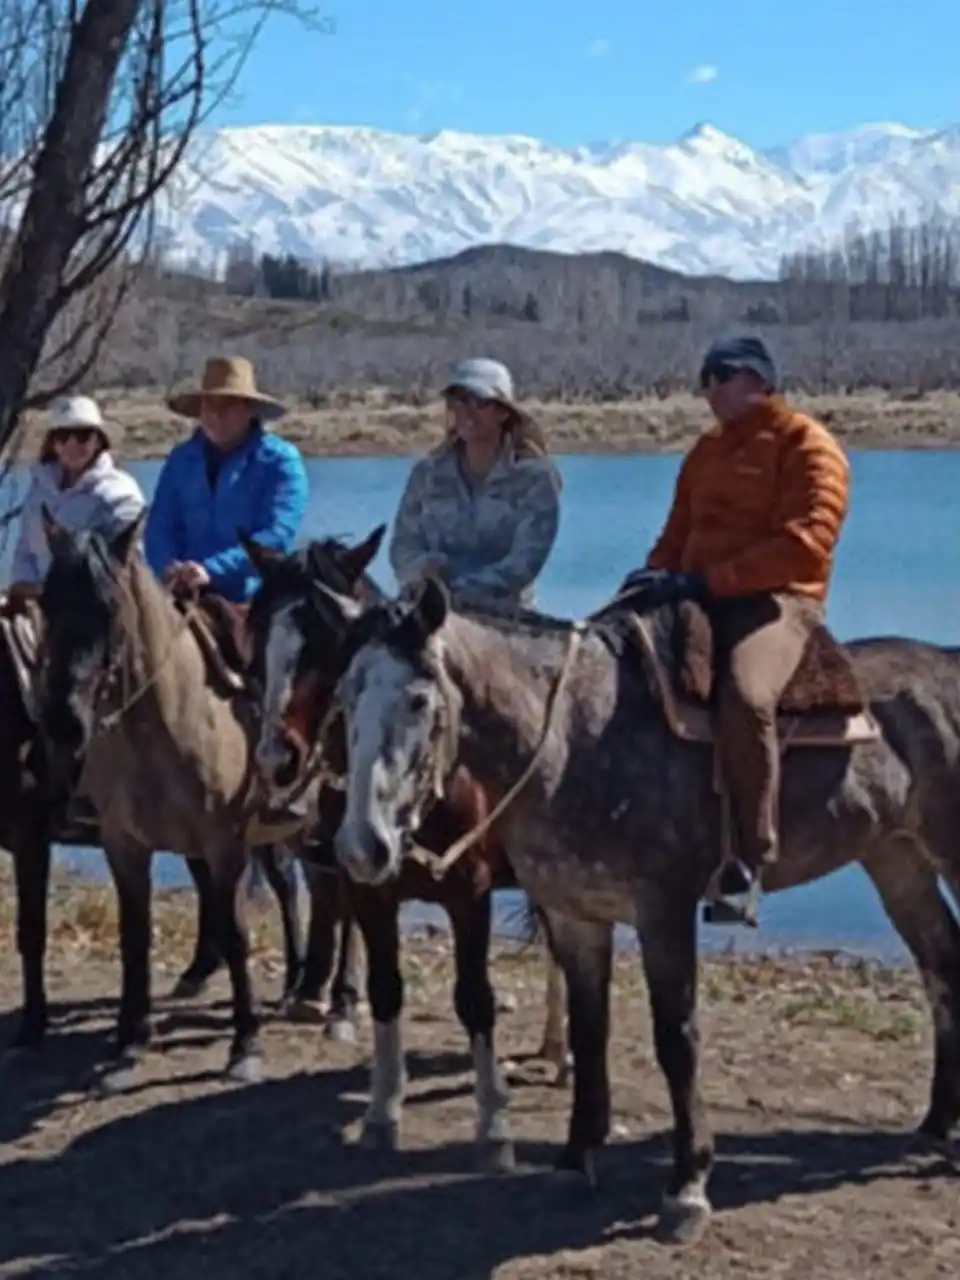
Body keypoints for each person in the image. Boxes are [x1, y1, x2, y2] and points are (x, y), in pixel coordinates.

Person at [620, 336, 850, 921]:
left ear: (760, 379)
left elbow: (805, 546)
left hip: (777, 602)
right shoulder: (706, 452)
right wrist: (653, 576)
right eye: (705, 379)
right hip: (698, 594)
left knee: (746, 697)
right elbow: (677, 533)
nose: (711, 390)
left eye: (722, 375)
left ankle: (749, 859)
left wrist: (709, 581)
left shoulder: (808, 444)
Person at [389, 358, 561, 611]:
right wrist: (421, 568)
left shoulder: (534, 479)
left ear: (503, 412)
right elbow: (402, 548)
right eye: (458, 401)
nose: (466, 412)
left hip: (502, 618)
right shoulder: (426, 473)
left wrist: (458, 591)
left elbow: (524, 564)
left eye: (478, 402)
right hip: (423, 609)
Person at [144, 356, 308, 604]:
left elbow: (276, 536)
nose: (217, 415)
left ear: (250, 410)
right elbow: (159, 526)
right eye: (209, 406)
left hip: (252, 597)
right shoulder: (181, 459)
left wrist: (211, 570)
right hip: (179, 592)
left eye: (229, 405)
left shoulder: (281, 460)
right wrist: (169, 568)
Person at [4, 395, 146, 620]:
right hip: (34, 604)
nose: (72, 444)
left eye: (82, 436)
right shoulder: (39, 487)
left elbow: (128, 559)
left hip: (92, 611)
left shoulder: (120, 493)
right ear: (53, 443)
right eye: (63, 436)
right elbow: (24, 549)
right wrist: (23, 584)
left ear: (98, 441)